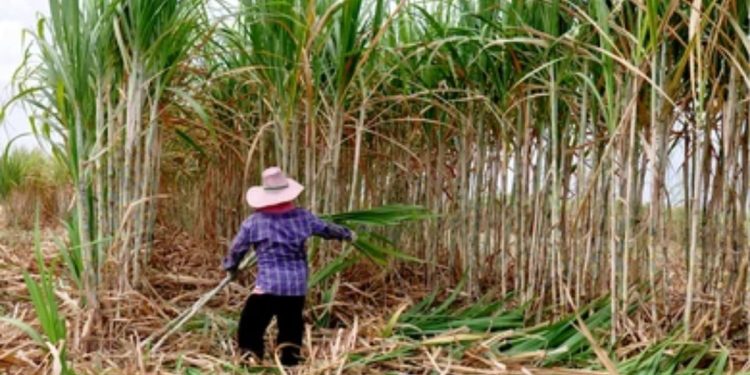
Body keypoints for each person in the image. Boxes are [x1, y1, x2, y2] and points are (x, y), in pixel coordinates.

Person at [222, 166, 355, 366]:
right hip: (296, 286)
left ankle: (250, 359)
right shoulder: (303, 217)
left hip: (268, 286)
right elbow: (327, 229)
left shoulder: (254, 222)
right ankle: (289, 363)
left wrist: (231, 267)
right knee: (291, 326)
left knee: (251, 325)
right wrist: (347, 234)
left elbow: (237, 248)